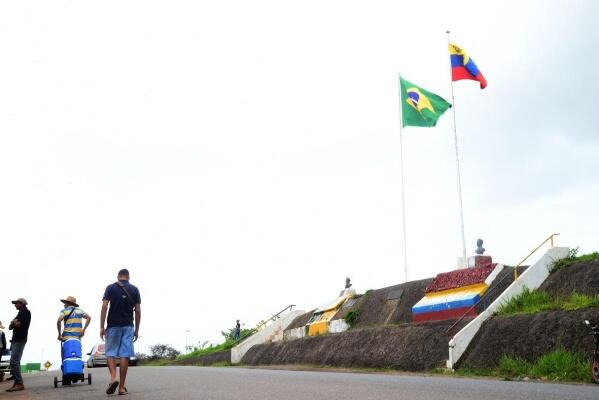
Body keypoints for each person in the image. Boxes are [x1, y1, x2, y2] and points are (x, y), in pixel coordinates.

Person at [100, 269, 141, 396]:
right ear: (128, 277)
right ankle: (122, 387)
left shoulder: (110, 288)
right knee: (125, 355)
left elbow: (104, 306)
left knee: (110, 353)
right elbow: (138, 311)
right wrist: (136, 330)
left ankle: (113, 378)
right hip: (128, 326)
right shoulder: (135, 289)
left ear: (118, 277)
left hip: (113, 326)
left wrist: (101, 327)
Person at [6, 298, 31, 392]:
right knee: (14, 361)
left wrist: (14, 322)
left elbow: (19, 324)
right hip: (16, 339)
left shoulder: (26, 312)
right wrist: (13, 322)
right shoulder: (20, 313)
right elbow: (10, 327)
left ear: (22, 304)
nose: (15, 305)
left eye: (16, 303)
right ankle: (17, 383)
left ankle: (19, 383)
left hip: (20, 339)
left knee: (14, 361)